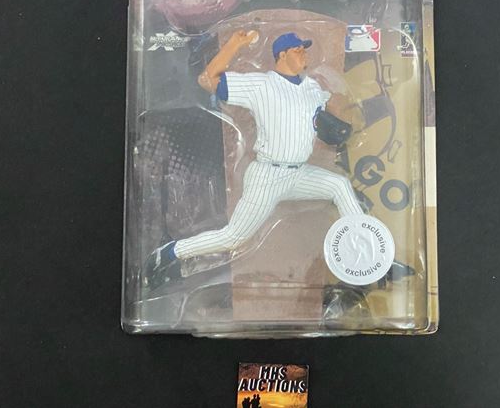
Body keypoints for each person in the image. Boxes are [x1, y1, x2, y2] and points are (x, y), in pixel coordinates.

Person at [144, 30, 364, 288]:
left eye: (304, 49)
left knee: (339, 185)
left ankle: (366, 248)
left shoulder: (312, 87)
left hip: (298, 174)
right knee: (234, 237)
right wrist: (235, 43)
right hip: (268, 176)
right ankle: (170, 253)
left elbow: (324, 122)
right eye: (298, 50)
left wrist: (338, 118)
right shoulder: (262, 84)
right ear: (282, 55)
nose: (304, 54)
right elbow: (208, 79)